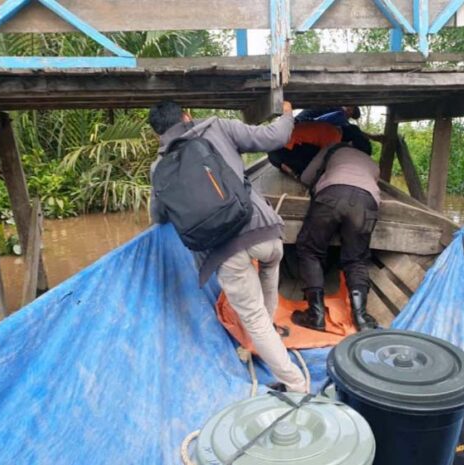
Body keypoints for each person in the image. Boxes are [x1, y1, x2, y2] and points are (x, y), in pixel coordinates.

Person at [148, 100, 307, 393]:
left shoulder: (159, 168)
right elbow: (274, 137)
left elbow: (158, 217)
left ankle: (294, 384)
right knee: (267, 288)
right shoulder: (217, 127)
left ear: (158, 134)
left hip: (224, 252)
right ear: (187, 115)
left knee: (255, 319)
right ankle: (276, 358)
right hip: (266, 233)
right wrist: (287, 114)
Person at [292, 137, 380, 332]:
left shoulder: (332, 149)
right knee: (356, 259)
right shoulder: (372, 162)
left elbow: (307, 177)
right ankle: (361, 318)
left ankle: (315, 315)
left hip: (332, 194)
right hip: (366, 203)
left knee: (310, 250)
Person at [295, 106, 361, 126]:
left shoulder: (339, 113)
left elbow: (322, 120)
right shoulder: (340, 114)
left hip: (302, 120)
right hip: (303, 121)